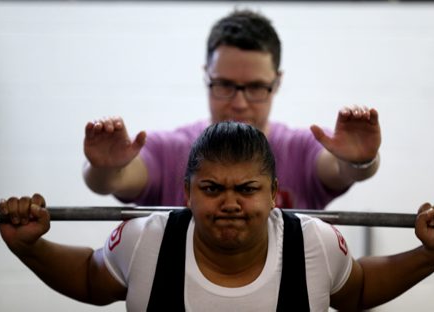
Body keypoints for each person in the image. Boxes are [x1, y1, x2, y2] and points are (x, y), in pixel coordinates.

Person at [0, 121, 434, 311]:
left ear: (274, 195)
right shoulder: (146, 238)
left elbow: (357, 287)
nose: (230, 203)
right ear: (185, 193)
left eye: (247, 189)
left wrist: (431, 256)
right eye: (211, 188)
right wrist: (29, 245)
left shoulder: (314, 242)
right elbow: (88, 278)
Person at [82, 9, 381, 210]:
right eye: (224, 85)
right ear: (206, 76)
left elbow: (340, 168)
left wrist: (360, 161)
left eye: (255, 87)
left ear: (277, 83)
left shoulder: (301, 149)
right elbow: (115, 179)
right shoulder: (169, 150)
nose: (239, 102)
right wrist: (105, 167)